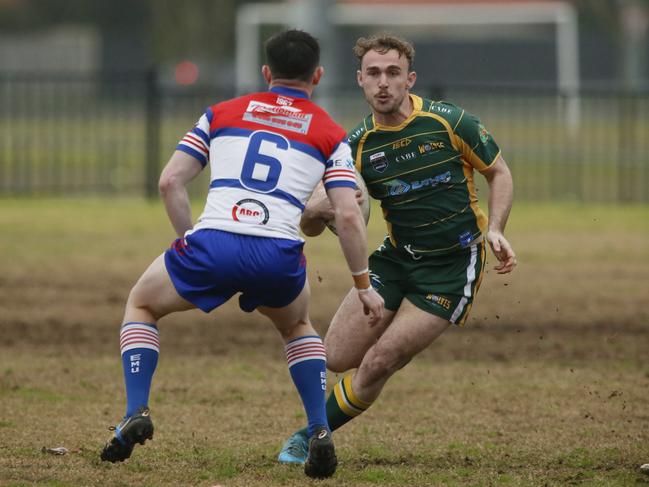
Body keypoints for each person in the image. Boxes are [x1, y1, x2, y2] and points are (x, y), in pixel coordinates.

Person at [99, 29, 384, 479]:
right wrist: (362, 285)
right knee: (296, 326)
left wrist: (188, 240)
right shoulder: (330, 132)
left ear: (267, 73)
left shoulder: (222, 112)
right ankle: (318, 430)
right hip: (279, 252)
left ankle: (136, 410)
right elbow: (348, 216)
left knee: (142, 304)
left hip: (213, 243)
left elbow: (170, 182)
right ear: (319, 75)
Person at [278, 32, 516, 463]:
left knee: (379, 361)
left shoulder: (449, 121)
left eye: (393, 73)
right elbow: (312, 228)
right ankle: (359, 384)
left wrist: (496, 228)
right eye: (374, 73)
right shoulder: (353, 147)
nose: (383, 82)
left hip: (451, 265)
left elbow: (499, 173)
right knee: (335, 356)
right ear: (360, 80)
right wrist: (315, 209)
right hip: (395, 257)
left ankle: (313, 435)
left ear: (410, 79)